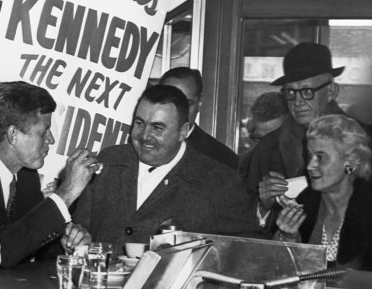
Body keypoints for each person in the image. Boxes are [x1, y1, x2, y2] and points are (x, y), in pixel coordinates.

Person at [73, 84, 259, 248]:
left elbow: (245, 249)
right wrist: (75, 241)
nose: (145, 136)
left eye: (157, 128)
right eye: (139, 123)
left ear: (183, 132)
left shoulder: (220, 182)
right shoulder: (110, 160)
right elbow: (78, 230)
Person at [0, 81, 98, 269]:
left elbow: (31, 245)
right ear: (13, 134)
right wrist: (66, 193)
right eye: (43, 132)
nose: (51, 139)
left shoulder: (25, 174)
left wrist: (66, 244)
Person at [245, 43, 371, 230]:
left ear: (331, 92)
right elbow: (243, 221)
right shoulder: (269, 147)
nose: (297, 102)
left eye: (306, 91)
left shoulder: (364, 141)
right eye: (290, 92)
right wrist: (263, 206)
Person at [272, 115, 372, 270]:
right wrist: (291, 239)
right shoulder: (300, 206)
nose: (310, 166)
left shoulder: (367, 210)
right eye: (309, 156)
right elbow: (277, 271)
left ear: (350, 163)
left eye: (321, 157)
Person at [159, 67, 238, 170]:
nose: (177, 112)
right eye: (169, 102)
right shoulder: (138, 145)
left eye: (186, 103)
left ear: (199, 103)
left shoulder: (223, 160)